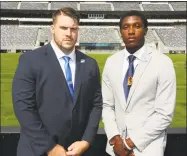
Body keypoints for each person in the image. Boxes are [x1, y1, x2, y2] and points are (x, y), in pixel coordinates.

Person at [12, 7, 102, 156]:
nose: (69, 33)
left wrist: (86, 141)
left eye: (73, 29)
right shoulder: (30, 60)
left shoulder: (90, 64)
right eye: (63, 28)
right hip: (37, 151)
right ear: (52, 29)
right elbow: (23, 107)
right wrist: (50, 147)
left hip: (76, 150)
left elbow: (96, 104)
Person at [102, 10, 176, 156]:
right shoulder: (111, 62)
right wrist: (116, 139)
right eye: (126, 27)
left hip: (147, 149)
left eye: (136, 26)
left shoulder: (163, 63)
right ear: (120, 32)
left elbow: (164, 114)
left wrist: (129, 143)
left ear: (145, 30)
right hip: (116, 150)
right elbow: (107, 105)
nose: (130, 31)